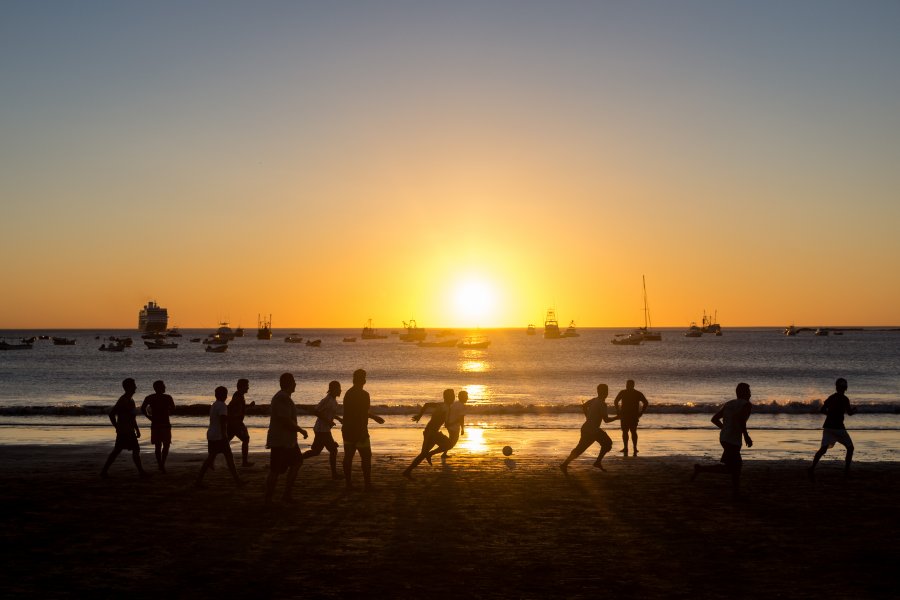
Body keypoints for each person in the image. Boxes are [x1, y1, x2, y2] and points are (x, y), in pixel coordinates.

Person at [691, 383, 753, 499]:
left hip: (724, 438)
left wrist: (725, 428)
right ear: (743, 393)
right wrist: (746, 436)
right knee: (735, 467)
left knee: (733, 467)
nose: (750, 394)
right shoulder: (746, 405)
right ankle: (701, 469)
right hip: (733, 440)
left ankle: (735, 493)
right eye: (748, 391)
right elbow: (741, 420)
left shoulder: (729, 404)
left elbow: (714, 419)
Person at [264, 373, 308, 504]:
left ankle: (285, 494)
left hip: (287, 441)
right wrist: (300, 430)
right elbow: (285, 420)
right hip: (281, 441)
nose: (295, 384)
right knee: (276, 470)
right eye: (293, 381)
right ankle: (270, 498)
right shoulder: (283, 398)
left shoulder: (283, 397)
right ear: (288, 383)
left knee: (296, 462)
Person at [560, 384, 620, 474]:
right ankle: (597, 462)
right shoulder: (602, 404)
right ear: (605, 393)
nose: (606, 393)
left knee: (580, 449)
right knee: (607, 444)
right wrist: (617, 417)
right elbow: (606, 420)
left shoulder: (594, 400)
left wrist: (588, 416)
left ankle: (565, 464)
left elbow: (584, 406)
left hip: (586, 428)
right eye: (606, 391)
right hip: (593, 430)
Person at [341, 369, 384, 491]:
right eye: (364, 377)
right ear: (362, 380)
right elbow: (362, 414)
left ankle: (348, 484)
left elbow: (354, 412)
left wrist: (374, 417)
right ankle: (367, 484)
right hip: (359, 430)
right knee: (366, 456)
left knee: (348, 457)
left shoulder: (348, 393)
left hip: (347, 430)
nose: (365, 379)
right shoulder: (364, 395)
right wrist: (362, 432)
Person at [808, 378, 857, 480]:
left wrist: (830, 415)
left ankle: (812, 468)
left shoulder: (831, 397)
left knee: (823, 449)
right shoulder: (845, 399)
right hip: (839, 428)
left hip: (828, 427)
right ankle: (846, 471)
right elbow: (850, 413)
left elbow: (822, 410)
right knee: (850, 448)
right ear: (845, 388)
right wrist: (855, 410)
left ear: (836, 387)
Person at [101, 378, 150, 478]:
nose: (135, 387)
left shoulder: (131, 400)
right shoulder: (123, 400)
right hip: (124, 431)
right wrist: (117, 426)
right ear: (128, 387)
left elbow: (133, 417)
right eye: (133, 385)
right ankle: (141, 472)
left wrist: (137, 429)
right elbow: (112, 414)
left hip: (129, 430)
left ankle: (104, 471)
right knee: (123, 450)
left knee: (122, 450)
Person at [196, 386, 244, 488]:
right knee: (229, 458)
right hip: (219, 436)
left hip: (211, 434)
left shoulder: (214, 405)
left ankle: (198, 481)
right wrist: (225, 436)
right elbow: (223, 422)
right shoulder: (222, 406)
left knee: (211, 458)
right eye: (226, 394)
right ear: (224, 395)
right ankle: (238, 481)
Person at [403, 389, 455, 478]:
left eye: (454, 396)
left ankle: (427, 456)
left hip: (434, 432)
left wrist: (419, 416)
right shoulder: (445, 408)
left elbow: (427, 405)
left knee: (448, 444)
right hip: (430, 433)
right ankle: (408, 471)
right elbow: (446, 423)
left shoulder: (442, 405)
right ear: (447, 397)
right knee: (424, 453)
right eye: (452, 396)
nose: (454, 398)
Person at [301, 380, 344, 480]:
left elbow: (330, 413)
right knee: (333, 450)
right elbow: (316, 411)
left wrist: (338, 419)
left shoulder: (334, 401)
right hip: (321, 430)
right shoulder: (327, 400)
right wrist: (328, 421)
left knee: (316, 451)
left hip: (323, 430)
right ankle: (334, 475)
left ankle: (296, 459)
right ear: (333, 389)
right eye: (338, 388)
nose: (340, 390)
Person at [140, 380, 176, 473]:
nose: (165, 387)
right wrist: (167, 412)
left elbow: (142, 408)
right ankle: (162, 464)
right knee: (166, 445)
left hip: (155, 423)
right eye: (163, 386)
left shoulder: (150, 397)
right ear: (159, 387)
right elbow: (173, 408)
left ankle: (160, 464)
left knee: (158, 445)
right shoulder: (168, 397)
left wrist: (149, 417)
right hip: (165, 424)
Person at [428, 389, 468, 462]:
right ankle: (431, 453)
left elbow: (448, 413)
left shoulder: (455, 403)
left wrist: (447, 422)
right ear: (462, 397)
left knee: (450, 441)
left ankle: (444, 453)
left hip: (449, 425)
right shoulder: (461, 406)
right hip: (454, 427)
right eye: (466, 396)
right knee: (451, 444)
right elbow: (461, 419)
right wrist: (462, 429)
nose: (467, 398)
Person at [614, 379, 649, 456]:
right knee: (626, 431)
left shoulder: (636, 393)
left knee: (632, 431)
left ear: (633, 385)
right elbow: (616, 401)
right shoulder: (624, 392)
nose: (627, 386)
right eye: (627, 385)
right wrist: (618, 410)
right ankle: (627, 447)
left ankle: (634, 448)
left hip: (631, 415)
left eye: (629, 385)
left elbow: (646, 403)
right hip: (626, 415)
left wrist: (641, 413)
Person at [228, 378, 255, 467]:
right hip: (236, 423)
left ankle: (211, 460)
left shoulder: (240, 395)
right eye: (246, 386)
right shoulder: (238, 396)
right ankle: (244, 462)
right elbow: (230, 407)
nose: (248, 388)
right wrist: (234, 417)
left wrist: (249, 406)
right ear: (242, 387)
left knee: (225, 442)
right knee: (246, 439)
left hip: (234, 422)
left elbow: (239, 409)